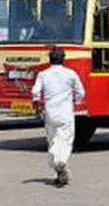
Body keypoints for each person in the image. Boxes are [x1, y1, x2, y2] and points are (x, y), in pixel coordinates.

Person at [31, 47, 86, 187]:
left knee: (53, 140)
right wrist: (74, 102)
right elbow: (80, 92)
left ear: (49, 60)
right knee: (65, 140)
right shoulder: (70, 74)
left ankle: (57, 171)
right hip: (66, 112)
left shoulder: (43, 75)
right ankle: (59, 163)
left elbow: (35, 93)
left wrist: (38, 107)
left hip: (50, 113)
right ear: (64, 59)